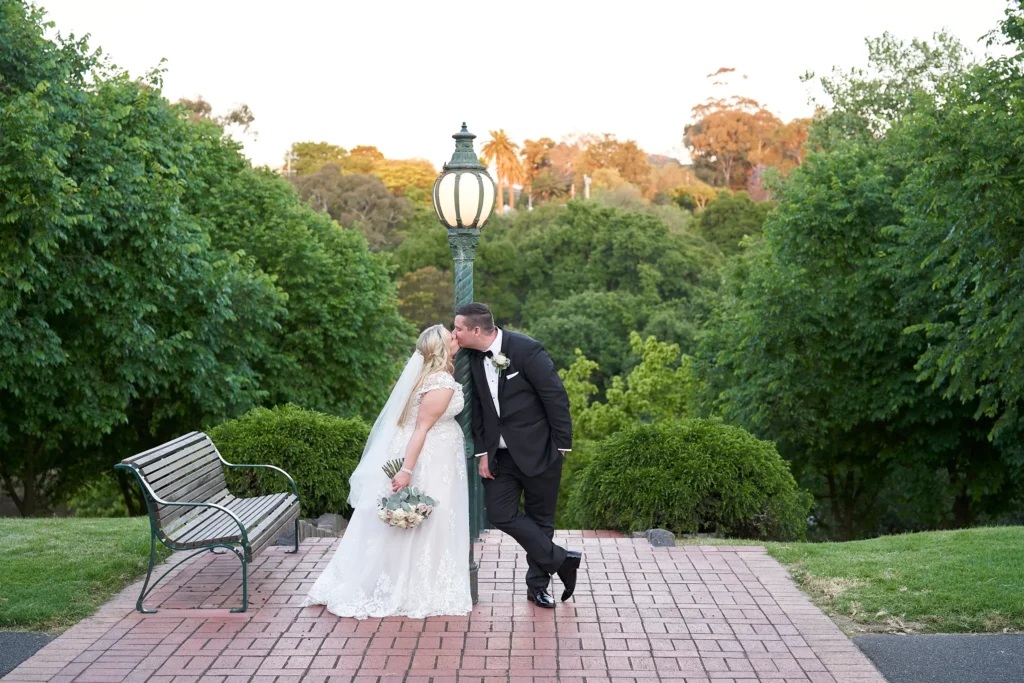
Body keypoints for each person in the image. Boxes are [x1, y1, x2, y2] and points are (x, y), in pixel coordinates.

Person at [302, 325, 472, 619]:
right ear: (442, 349)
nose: (457, 337)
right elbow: (420, 429)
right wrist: (406, 471)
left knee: (430, 521)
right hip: (430, 460)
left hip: (438, 457)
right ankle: (416, 588)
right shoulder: (441, 382)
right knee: (433, 520)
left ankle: (412, 580)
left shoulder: (430, 378)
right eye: (451, 336)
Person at [453, 303, 582, 608]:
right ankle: (562, 560)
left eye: (458, 328)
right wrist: (483, 452)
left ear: (475, 330)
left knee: (541, 519)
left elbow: (554, 395)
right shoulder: (470, 358)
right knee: (499, 513)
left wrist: (562, 444)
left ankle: (537, 587)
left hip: (541, 451)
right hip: (500, 457)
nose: (454, 333)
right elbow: (480, 409)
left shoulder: (526, 349)